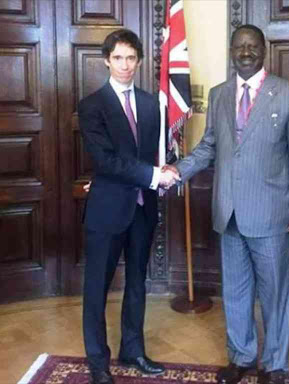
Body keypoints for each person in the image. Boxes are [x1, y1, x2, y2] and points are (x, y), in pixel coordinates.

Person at [163, 24, 289, 384]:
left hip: (272, 212)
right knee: (236, 289)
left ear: (264, 50)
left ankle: (275, 364)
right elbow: (209, 148)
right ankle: (241, 356)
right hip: (228, 211)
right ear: (231, 51)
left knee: (275, 291)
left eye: (252, 46)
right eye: (239, 47)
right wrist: (176, 171)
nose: (245, 52)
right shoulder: (219, 94)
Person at [78, 29, 178, 384]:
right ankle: (98, 360)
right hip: (108, 209)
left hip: (142, 209)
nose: (125, 65)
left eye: (131, 58)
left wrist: (166, 170)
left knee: (137, 281)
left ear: (138, 61)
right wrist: (154, 175)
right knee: (97, 287)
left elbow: (155, 154)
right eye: (118, 58)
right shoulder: (92, 105)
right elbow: (106, 161)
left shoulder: (153, 104)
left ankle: (132, 349)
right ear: (107, 60)